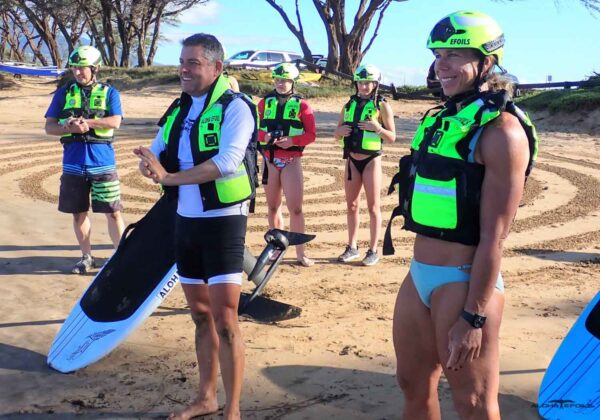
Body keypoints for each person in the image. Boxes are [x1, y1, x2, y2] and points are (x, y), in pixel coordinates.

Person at [384, 11, 539, 419]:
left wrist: (474, 315)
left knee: (473, 404)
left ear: (487, 62)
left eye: (455, 54)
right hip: (419, 273)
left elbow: (495, 237)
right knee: (413, 385)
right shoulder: (441, 120)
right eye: (438, 54)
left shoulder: (502, 132)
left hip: (464, 283)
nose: (442, 64)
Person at [134, 33, 257, 420]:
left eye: (193, 63)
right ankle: (207, 397)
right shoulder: (178, 108)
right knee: (200, 315)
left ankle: (233, 408)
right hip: (185, 222)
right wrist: (149, 164)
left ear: (216, 68)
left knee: (225, 319)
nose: (184, 70)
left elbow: (226, 162)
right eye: (182, 63)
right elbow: (157, 152)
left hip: (223, 223)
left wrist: (168, 178)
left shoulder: (237, 108)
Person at [44, 45, 125, 274]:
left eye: (83, 68)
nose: (79, 72)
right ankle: (86, 257)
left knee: (113, 211)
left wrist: (87, 124)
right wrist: (67, 127)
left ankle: (119, 257)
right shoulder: (63, 93)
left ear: (95, 68)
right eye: (75, 68)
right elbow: (49, 127)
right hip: (73, 164)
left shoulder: (110, 92)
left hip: (103, 162)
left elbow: (115, 121)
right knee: (78, 212)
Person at [334, 64, 396, 266]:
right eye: (361, 82)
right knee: (351, 205)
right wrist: (339, 132)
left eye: (368, 82)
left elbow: (392, 137)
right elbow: (336, 134)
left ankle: (373, 250)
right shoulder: (349, 105)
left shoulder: (382, 106)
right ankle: (351, 247)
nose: (364, 86)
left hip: (371, 160)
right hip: (352, 160)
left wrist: (377, 128)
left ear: (376, 83)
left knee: (373, 206)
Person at [258, 62, 316, 267]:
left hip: (291, 160)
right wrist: (265, 137)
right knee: (273, 207)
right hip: (270, 160)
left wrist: (293, 141)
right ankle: (275, 249)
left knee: (296, 209)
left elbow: (311, 135)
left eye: (285, 80)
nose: (281, 83)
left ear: (293, 82)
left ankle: (301, 253)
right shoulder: (264, 104)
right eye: (278, 80)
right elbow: (255, 131)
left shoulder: (303, 105)